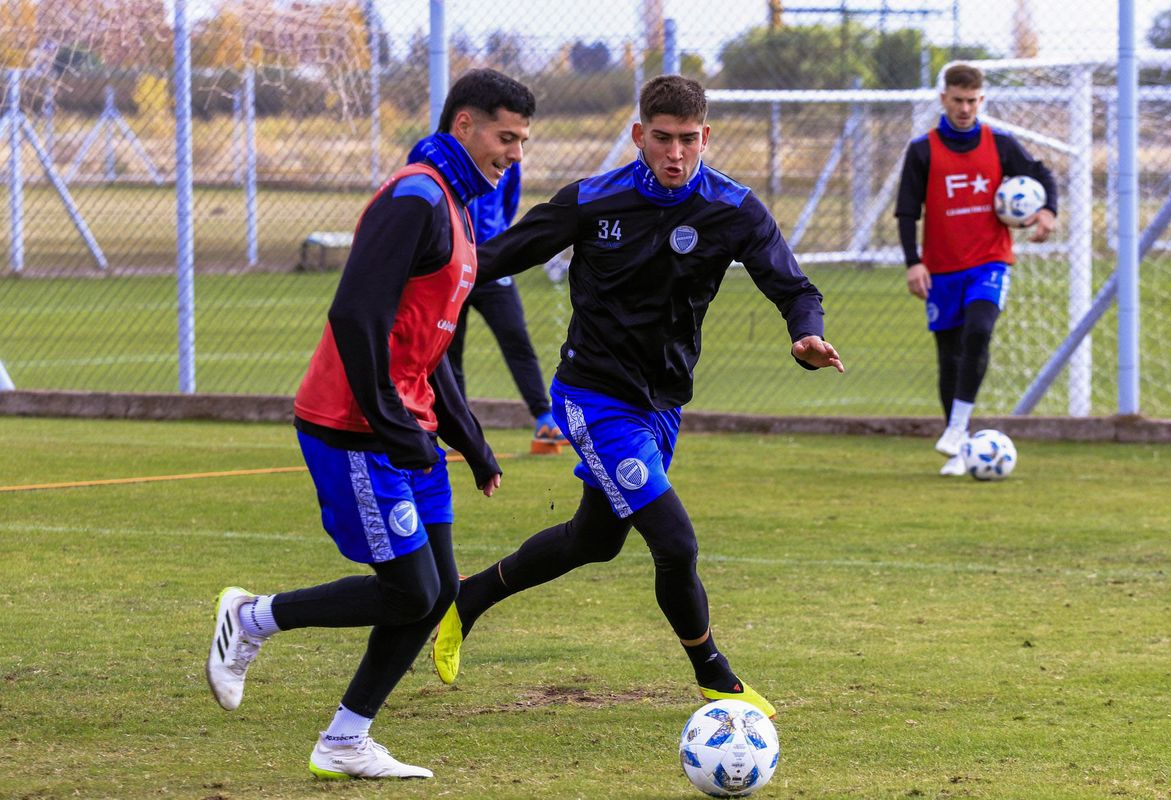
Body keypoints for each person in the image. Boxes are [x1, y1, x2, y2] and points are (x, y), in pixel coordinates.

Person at [430, 74, 844, 719]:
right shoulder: (595, 200)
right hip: (593, 396)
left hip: (662, 405)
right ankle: (718, 679)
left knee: (593, 541)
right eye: (661, 139)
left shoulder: (733, 208)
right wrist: (419, 273)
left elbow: (796, 288)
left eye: (687, 140)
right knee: (675, 543)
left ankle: (469, 598)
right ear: (638, 135)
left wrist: (807, 335)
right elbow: (499, 254)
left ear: (705, 137)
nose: (675, 153)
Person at [204, 68, 535, 780]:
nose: (514, 153)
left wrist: (468, 439)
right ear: (465, 125)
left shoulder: (458, 207)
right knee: (409, 591)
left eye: (522, 140)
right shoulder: (416, 197)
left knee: (437, 589)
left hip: (404, 429)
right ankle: (253, 617)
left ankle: (346, 739)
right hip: (354, 425)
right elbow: (355, 315)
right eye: (506, 137)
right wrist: (391, 424)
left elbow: (428, 340)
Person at [895, 62, 1057, 476]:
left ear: (981, 100)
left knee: (980, 330)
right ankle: (959, 449)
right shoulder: (923, 150)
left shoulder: (1000, 144)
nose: (965, 108)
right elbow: (907, 212)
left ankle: (957, 429)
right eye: (958, 100)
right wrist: (914, 264)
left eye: (972, 101)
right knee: (949, 357)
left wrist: (1048, 212)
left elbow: (1041, 175)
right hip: (941, 269)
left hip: (990, 261)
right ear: (944, 98)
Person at [403, 143, 566, 455]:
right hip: (448, 266)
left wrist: (493, 241)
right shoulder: (427, 150)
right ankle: (458, 433)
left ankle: (544, 418)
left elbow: (509, 201)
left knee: (516, 339)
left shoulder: (505, 148)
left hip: (491, 266)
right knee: (447, 352)